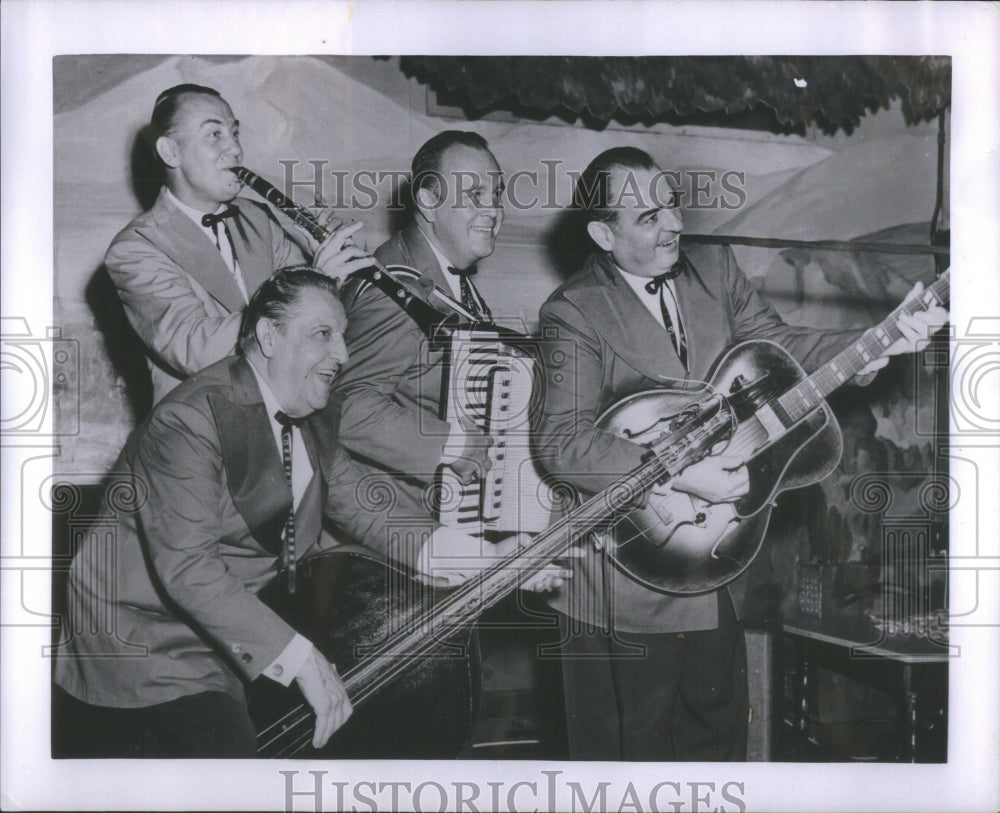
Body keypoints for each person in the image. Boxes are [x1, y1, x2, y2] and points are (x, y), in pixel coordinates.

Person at [533, 147, 948, 761]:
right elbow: (562, 441)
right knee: (632, 757)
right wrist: (678, 473)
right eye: (648, 217)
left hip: (712, 562)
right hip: (621, 575)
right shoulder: (572, 310)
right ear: (603, 233)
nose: (674, 224)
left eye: (671, 204)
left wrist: (875, 339)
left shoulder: (716, 268)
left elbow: (779, 348)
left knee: (716, 737)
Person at [53, 267, 567, 758]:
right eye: (323, 334)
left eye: (342, 336)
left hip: (230, 632)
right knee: (232, 768)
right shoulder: (188, 420)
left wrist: (496, 560)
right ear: (268, 337)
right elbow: (188, 570)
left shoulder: (313, 419)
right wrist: (300, 659)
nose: (342, 353)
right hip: (144, 642)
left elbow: (374, 515)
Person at [106, 83, 371, 405]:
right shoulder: (136, 248)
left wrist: (329, 267)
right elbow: (193, 348)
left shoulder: (257, 218)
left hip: (279, 414)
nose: (235, 149)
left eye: (234, 134)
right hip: (203, 429)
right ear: (170, 152)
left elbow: (315, 328)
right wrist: (315, 280)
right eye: (215, 135)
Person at [331, 130, 505, 508]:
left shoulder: (442, 275)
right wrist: (454, 445)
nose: (493, 210)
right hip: (393, 519)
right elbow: (347, 407)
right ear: (428, 202)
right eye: (475, 195)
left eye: (497, 194)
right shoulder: (395, 288)